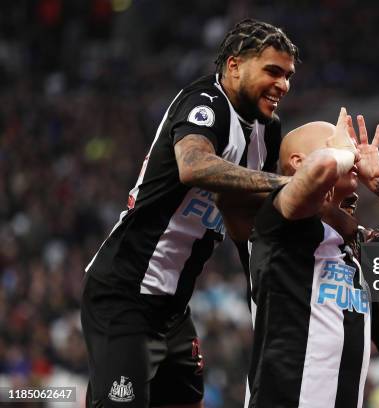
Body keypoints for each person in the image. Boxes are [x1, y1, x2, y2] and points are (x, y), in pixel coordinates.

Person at [80, 19, 299, 408]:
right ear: (234, 66)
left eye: (287, 75)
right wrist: (283, 184)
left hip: (174, 308)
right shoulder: (206, 101)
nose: (283, 84)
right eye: (272, 71)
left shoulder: (268, 130)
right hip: (125, 293)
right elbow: (193, 165)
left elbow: (248, 217)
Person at [244, 109, 379, 407]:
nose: (353, 155)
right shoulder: (277, 220)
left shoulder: (359, 244)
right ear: (298, 161)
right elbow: (319, 171)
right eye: (339, 145)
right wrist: (341, 154)